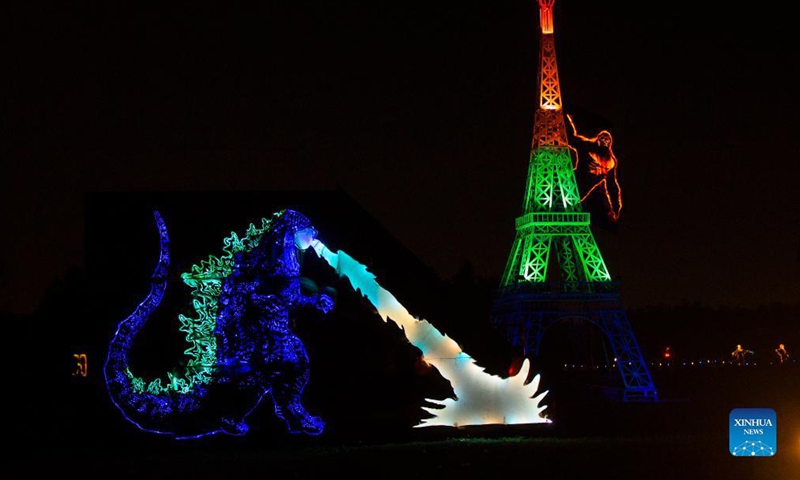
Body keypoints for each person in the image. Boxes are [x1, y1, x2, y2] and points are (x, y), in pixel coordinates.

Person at [567, 113, 623, 222]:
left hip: (582, 190)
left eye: (607, 141)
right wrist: (566, 120)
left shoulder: (611, 162)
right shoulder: (587, 146)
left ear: (610, 144)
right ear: (597, 140)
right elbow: (571, 138)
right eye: (602, 139)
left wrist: (615, 210)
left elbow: (613, 187)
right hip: (573, 181)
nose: (604, 142)